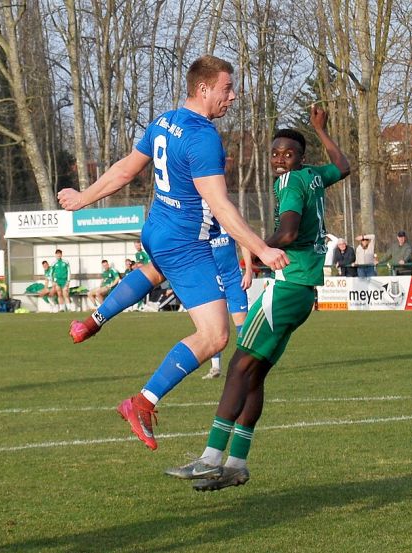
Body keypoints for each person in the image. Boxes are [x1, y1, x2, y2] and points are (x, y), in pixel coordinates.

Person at [58, 55, 288, 450]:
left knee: (154, 271)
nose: (232, 97)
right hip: (185, 241)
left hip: (157, 229)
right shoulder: (202, 137)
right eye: (227, 89)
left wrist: (83, 198)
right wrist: (261, 249)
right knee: (215, 336)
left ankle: (96, 319)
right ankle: (142, 402)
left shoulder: (164, 121)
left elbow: (125, 171)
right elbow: (220, 206)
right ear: (204, 89)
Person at [165, 104, 349, 491]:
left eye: (288, 153)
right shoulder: (314, 176)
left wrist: (252, 245)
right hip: (302, 292)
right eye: (276, 152)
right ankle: (236, 463)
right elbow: (343, 166)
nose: (280, 158)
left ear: (299, 159)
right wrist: (319, 129)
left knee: (237, 368)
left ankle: (211, 457)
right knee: (255, 373)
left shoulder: (290, 183)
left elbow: (287, 232)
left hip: (286, 286)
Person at [203, 225, 253, 379]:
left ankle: (247, 364)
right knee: (214, 325)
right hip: (212, 281)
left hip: (234, 280)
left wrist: (249, 271)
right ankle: (215, 367)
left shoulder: (227, 222)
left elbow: (244, 243)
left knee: (242, 324)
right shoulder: (203, 226)